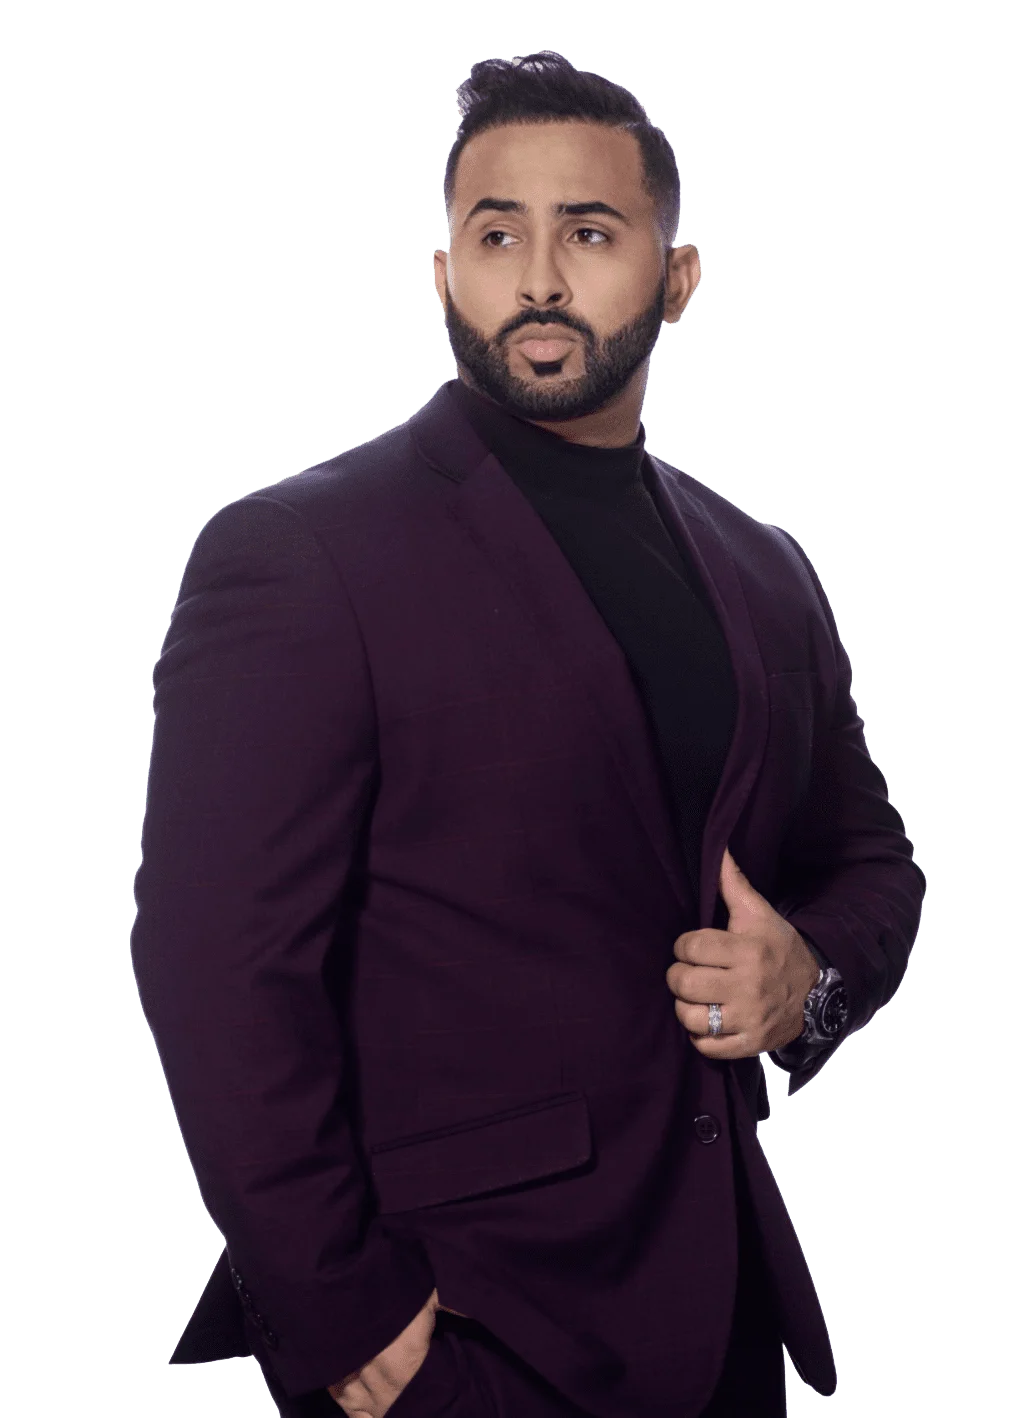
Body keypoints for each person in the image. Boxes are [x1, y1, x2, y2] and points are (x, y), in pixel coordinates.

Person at [130, 51, 925, 1418]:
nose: (540, 279)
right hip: (461, 1323)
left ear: (678, 277)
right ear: (444, 270)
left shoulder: (764, 568)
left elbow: (870, 858)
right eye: (498, 235)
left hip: (719, 1308)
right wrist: (343, 1315)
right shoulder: (302, 554)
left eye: (591, 233)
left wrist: (808, 974)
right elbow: (215, 963)